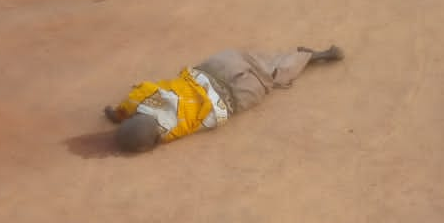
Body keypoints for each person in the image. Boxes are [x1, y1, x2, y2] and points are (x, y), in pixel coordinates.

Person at [105, 44, 344, 153]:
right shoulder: (143, 99)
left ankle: (304, 57)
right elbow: (129, 102)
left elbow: (153, 135)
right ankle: (292, 55)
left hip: (236, 94)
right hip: (214, 67)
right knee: (255, 59)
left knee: (272, 76)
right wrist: (118, 114)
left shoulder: (169, 131)